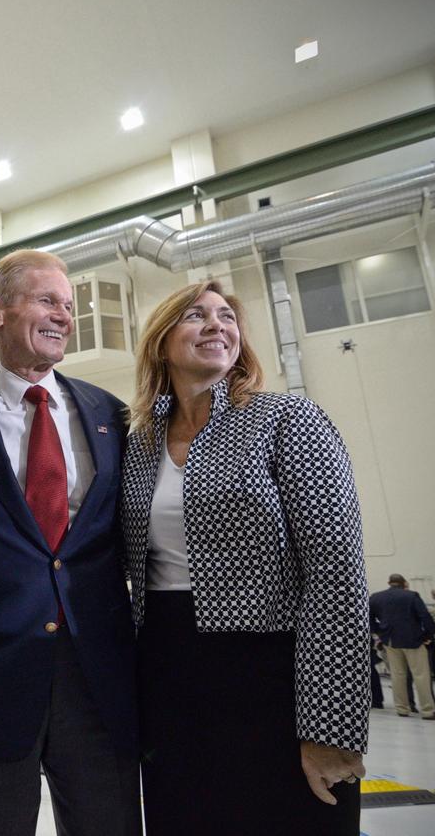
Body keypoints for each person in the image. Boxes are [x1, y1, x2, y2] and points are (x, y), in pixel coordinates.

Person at [121, 280, 368, 836]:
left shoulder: (288, 420)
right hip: (166, 668)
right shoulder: (138, 441)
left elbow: (337, 572)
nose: (217, 324)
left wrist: (331, 724)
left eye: (226, 315)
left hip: (270, 669)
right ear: (162, 341)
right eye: (195, 315)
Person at [0, 249, 139, 836]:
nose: (65, 316)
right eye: (48, 300)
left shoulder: (111, 415)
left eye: (68, 306)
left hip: (96, 668)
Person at [369, 575, 435, 720]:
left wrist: (380, 631)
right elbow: (425, 617)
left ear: (389, 583)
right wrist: (428, 635)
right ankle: (428, 710)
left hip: (390, 641)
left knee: (397, 676)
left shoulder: (376, 597)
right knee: (421, 675)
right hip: (413, 640)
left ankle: (402, 708)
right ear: (404, 583)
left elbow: (368, 618)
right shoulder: (411, 596)